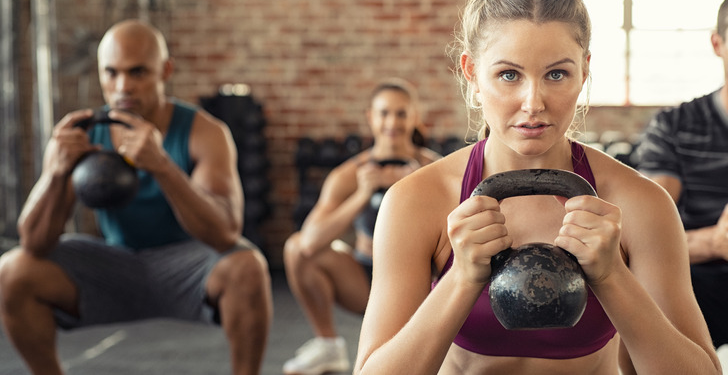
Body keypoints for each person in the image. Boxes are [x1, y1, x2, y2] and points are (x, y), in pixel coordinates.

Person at [354, 0, 721, 375]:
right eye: (509, 75)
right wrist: (460, 278)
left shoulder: (638, 202)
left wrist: (613, 276)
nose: (533, 102)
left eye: (556, 74)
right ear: (472, 74)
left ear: (584, 71)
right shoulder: (417, 201)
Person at [0, 19, 273, 375]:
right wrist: (56, 173)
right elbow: (34, 242)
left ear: (166, 70)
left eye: (138, 72)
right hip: (112, 263)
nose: (122, 86)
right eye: (111, 73)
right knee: (13, 269)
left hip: (187, 265)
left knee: (248, 266)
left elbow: (225, 234)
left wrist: (163, 167)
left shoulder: (205, 133)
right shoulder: (82, 135)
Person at [635, 0, 728, 373]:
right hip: (692, 292)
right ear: (718, 44)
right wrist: (715, 241)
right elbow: (642, 240)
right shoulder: (674, 128)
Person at [282, 79, 440, 375]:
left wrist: (418, 189)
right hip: (365, 278)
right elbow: (309, 242)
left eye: (401, 114)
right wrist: (361, 194)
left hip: (423, 284)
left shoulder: (434, 170)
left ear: (415, 116)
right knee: (294, 247)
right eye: (384, 113)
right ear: (370, 117)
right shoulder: (349, 175)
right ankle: (328, 345)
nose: (392, 122)